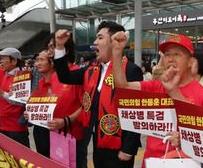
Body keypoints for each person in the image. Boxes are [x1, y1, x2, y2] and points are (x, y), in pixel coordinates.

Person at [111, 33, 203, 164]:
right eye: (167, 55)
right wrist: (116, 51)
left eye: (177, 54)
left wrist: (185, 139)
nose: (170, 59)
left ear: (190, 62)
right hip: (151, 162)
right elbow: (123, 86)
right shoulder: (156, 85)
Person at [54, 21, 143, 168]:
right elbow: (65, 77)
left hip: (119, 146)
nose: (95, 42)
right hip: (97, 140)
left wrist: (128, 149)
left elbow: (135, 112)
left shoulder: (130, 70)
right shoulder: (92, 68)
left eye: (100, 38)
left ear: (114, 41)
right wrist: (59, 47)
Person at [26, 50, 83, 162]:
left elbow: (84, 106)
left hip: (66, 134)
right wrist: (30, 113)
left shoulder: (68, 79)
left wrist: (66, 120)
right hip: (43, 132)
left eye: (41, 60)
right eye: (37, 60)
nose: (37, 64)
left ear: (52, 63)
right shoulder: (41, 82)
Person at [0, 47, 29, 146]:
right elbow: (0, 97)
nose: (1, 62)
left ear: (14, 61)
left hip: (16, 126)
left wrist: (1, 93)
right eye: (0, 59)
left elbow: (20, 101)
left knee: (21, 156)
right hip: (4, 123)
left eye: (3, 58)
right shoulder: (6, 75)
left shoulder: (21, 76)